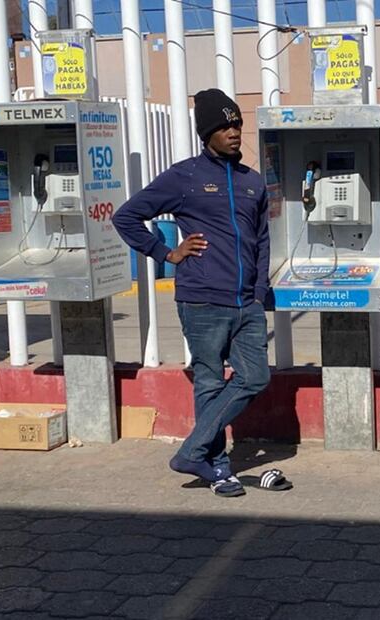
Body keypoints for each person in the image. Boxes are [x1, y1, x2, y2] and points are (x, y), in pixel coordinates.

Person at [113, 89, 285, 497]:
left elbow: (261, 241)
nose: (233, 132)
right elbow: (128, 217)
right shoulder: (184, 177)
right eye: (224, 126)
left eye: (237, 124)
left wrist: (259, 291)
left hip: (246, 302)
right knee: (208, 381)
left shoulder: (252, 182)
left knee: (255, 376)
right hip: (202, 299)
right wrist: (166, 252)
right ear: (205, 133)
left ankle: (192, 451)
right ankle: (217, 466)